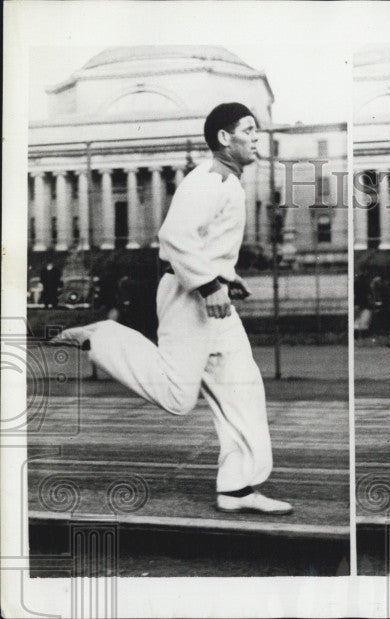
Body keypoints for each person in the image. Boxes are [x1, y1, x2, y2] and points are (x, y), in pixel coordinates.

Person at [52, 103, 291, 515]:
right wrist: (211, 283)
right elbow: (176, 236)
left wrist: (226, 277)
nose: (257, 138)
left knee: (242, 387)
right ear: (223, 137)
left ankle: (236, 488)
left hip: (211, 298)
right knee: (178, 397)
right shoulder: (208, 179)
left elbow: (204, 241)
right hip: (189, 296)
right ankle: (102, 337)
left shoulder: (229, 182)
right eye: (249, 130)